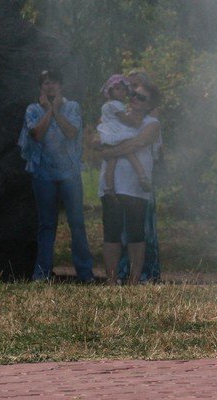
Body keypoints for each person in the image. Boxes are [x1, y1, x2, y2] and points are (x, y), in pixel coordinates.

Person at [17, 69, 95, 282]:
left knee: (77, 223)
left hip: (69, 173)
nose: (50, 86)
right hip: (43, 175)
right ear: (40, 88)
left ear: (61, 85)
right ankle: (42, 274)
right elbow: (37, 135)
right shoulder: (33, 109)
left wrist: (56, 110)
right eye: (45, 83)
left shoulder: (72, 107)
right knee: (47, 224)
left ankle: (85, 274)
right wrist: (49, 110)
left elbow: (71, 132)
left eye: (53, 83)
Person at [93, 82, 162, 284]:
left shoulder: (152, 123)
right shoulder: (114, 114)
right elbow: (96, 141)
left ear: (150, 104)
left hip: (135, 186)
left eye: (141, 97)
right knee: (111, 232)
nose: (134, 98)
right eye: (133, 94)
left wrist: (110, 151)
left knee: (136, 234)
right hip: (110, 182)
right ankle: (112, 280)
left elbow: (137, 143)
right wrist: (103, 145)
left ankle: (133, 280)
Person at [97, 74, 152, 197]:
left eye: (123, 89)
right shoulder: (115, 105)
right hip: (116, 133)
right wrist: (134, 123)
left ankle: (109, 187)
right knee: (130, 153)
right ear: (110, 91)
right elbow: (124, 119)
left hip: (108, 134)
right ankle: (142, 176)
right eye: (117, 89)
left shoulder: (107, 105)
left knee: (111, 162)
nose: (121, 92)